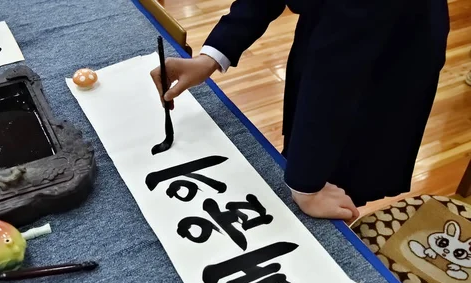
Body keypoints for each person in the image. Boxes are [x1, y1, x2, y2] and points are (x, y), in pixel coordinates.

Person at [150, 0, 450, 222]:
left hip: (388, 57)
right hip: (338, 29)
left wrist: (307, 182)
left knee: (344, 175)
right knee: (310, 158)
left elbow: (338, 69)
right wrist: (213, 56)